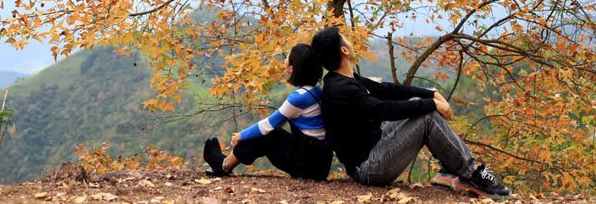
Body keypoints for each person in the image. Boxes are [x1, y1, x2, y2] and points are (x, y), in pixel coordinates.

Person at [310, 27, 511, 200]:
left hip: (374, 148)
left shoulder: (348, 79)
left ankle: (451, 169)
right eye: (345, 38)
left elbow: (390, 90)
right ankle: (472, 174)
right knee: (426, 116)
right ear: (344, 50)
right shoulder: (340, 89)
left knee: (417, 103)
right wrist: (432, 104)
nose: (350, 40)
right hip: (369, 168)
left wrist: (431, 93)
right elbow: (384, 109)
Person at [203, 43, 333, 180]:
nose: (285, 59)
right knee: (269, 132)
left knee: (267, 133)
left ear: (292, 69)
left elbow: (268, 125)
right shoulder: (317, 89)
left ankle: (224, 165)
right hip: (320, 163)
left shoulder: (299, 98)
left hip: (308, 167)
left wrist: (240, 136)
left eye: (288, 57)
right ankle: (226, 162)